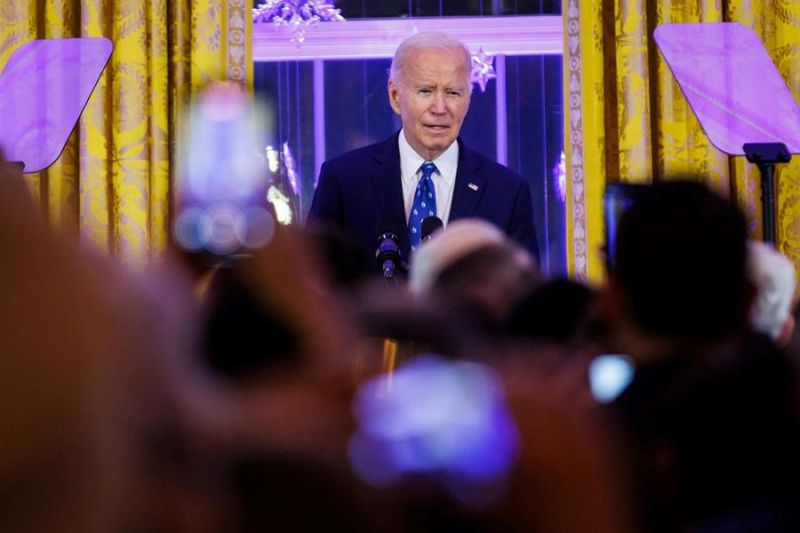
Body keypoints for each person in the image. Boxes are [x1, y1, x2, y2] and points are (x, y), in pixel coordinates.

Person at [307, 31, 538, 270]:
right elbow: (313, 281)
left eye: (453, 93)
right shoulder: (344, 180)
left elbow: (523, 296)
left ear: (468, 100)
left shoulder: (507, 192)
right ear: (395, 96)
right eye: (426, 91)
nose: (440, 108)